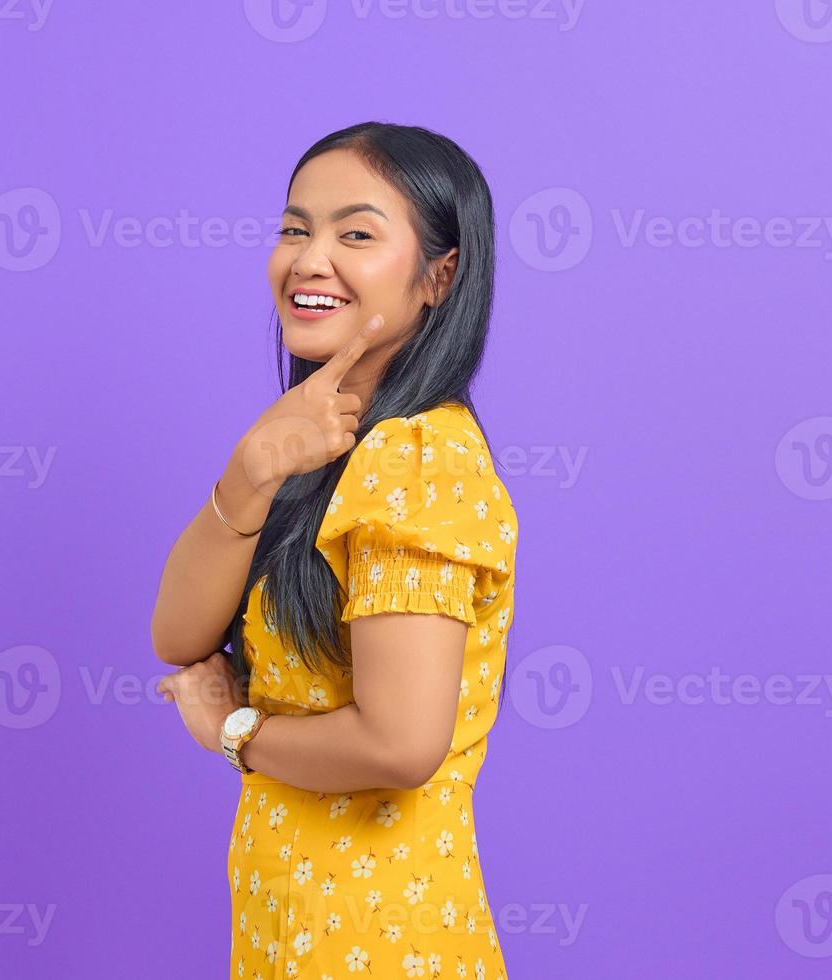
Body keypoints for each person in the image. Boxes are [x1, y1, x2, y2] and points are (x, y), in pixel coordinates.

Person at [150, 121, 517, 980]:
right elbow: (177, 639)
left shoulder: (417, 456)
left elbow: (399, 743)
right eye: (294, 229)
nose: (310, 259)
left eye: (356, 233)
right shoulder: (318, 448)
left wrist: (237, 731)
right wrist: (246, 479)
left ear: (440, 275)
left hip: (382, 939)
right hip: (296, 926)